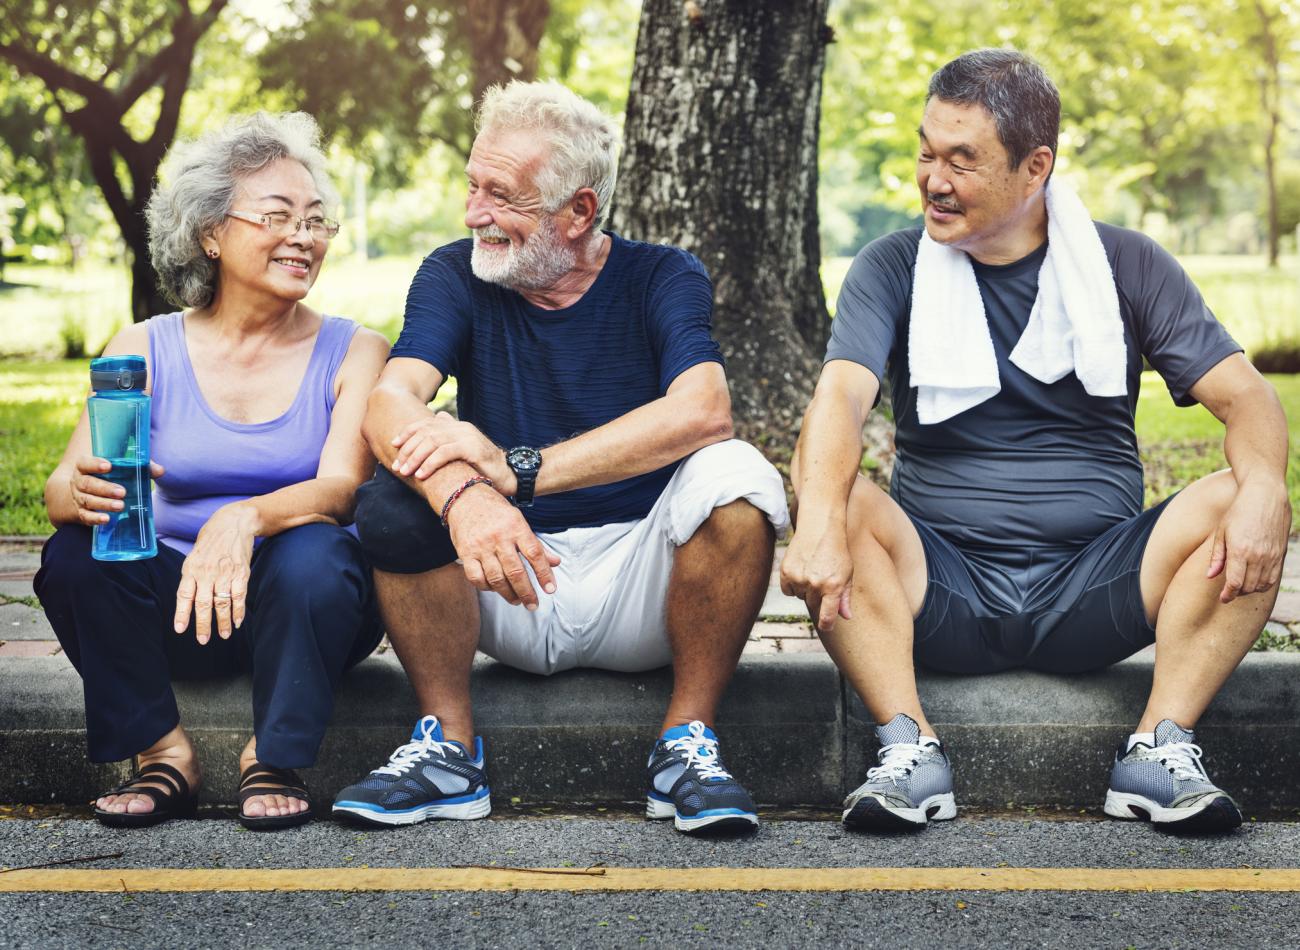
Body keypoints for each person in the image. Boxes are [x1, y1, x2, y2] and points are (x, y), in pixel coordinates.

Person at [782, 49, 1291, 834]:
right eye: (925, 151)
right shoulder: (893, 265)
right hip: (940, 586)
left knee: (1247, 494)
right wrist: (816, 517)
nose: (933, 179)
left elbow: (1247, 397)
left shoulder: (1125, 264)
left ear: (1035, 167)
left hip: (1097, 586)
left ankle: (1159, 748)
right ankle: (907, 749)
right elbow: (840, 398)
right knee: (834, 492)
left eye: (962, 160)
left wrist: (1264, 489)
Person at [330, 81, 788, 835]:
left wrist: (518, 469)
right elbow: (390, 404)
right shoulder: (455, 273)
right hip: (503, 578)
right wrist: (467, 498)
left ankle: (686, 745)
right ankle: (448, 750)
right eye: (473, 186)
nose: (475, 212)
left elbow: (704, 410)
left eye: (502, 196)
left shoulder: (662, 275)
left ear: (579, 212)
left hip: (643, 583)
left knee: (739, 476)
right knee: (393, 495)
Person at [35, 112, 389, 830]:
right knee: (74, 554)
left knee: (318, 550)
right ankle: (162, 752)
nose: (304, 236)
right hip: (174, 609)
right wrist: (80, 491)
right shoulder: (145, 346)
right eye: (278, 216)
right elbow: (56, 490)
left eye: (317, 221)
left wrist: (245, 516)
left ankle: (273, 756)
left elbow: (343, 490)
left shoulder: (356, 348)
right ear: (211, 233)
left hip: (304, 614)